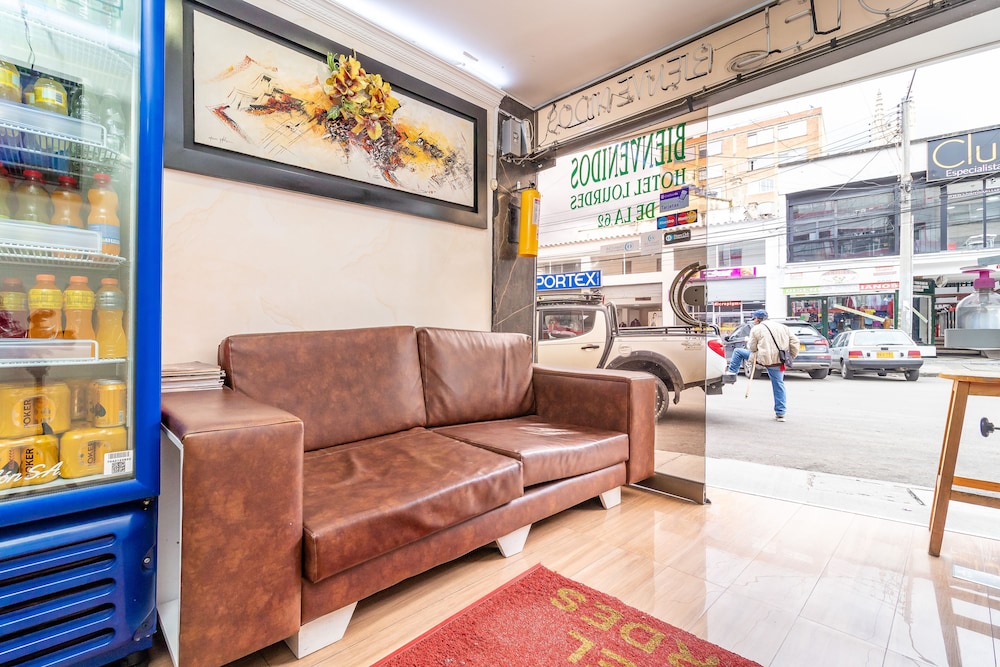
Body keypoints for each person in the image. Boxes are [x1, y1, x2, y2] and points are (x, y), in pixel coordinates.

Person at [721, 309, 800, 422]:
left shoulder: (756, 329)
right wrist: (790, 356)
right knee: (778, 385)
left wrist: (748, 341)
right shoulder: (783, 327)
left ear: (758, 319)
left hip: (762, 358)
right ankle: (780, 413)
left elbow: (752, 348)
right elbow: (795, 342)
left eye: (754, 319)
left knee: (738, 352)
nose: (754, 321)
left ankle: (732, 373)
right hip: (778, 360)